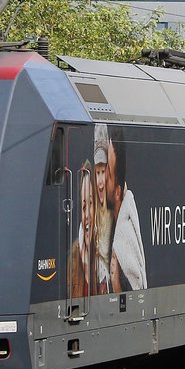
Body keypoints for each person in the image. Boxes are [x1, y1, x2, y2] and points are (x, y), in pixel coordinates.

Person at [108, 125, 147, 291]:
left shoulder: (123, 244)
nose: (100, 183)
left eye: (107, 174)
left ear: (118, 192)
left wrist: (116, 282)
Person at [67, 161, 94, 299]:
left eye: (91, 203)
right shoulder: (75, 255)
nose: (87, 215)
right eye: (84, 208)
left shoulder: (113, 258)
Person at [92, 125, 114, 294]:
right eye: (97, 172)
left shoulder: (119, 209)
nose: (100, 182)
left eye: (103, 172)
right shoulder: (90, 215)